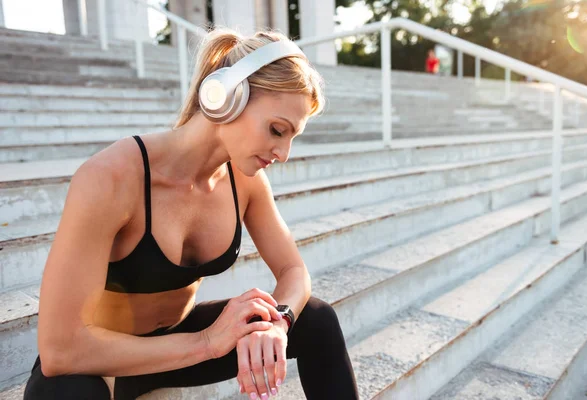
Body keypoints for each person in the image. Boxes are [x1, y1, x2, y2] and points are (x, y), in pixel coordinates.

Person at [23, 28, 359, 400]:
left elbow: (294, 271)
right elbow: (60, 350)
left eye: (292, 137)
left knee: (317, 320)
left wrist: (277, 324)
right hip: (101, 360)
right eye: (278, 130)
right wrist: (207, 342)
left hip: (177, 347)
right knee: (63, 394)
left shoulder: (245, 181)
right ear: (228, 97)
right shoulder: (112, 177)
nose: (283, 153)